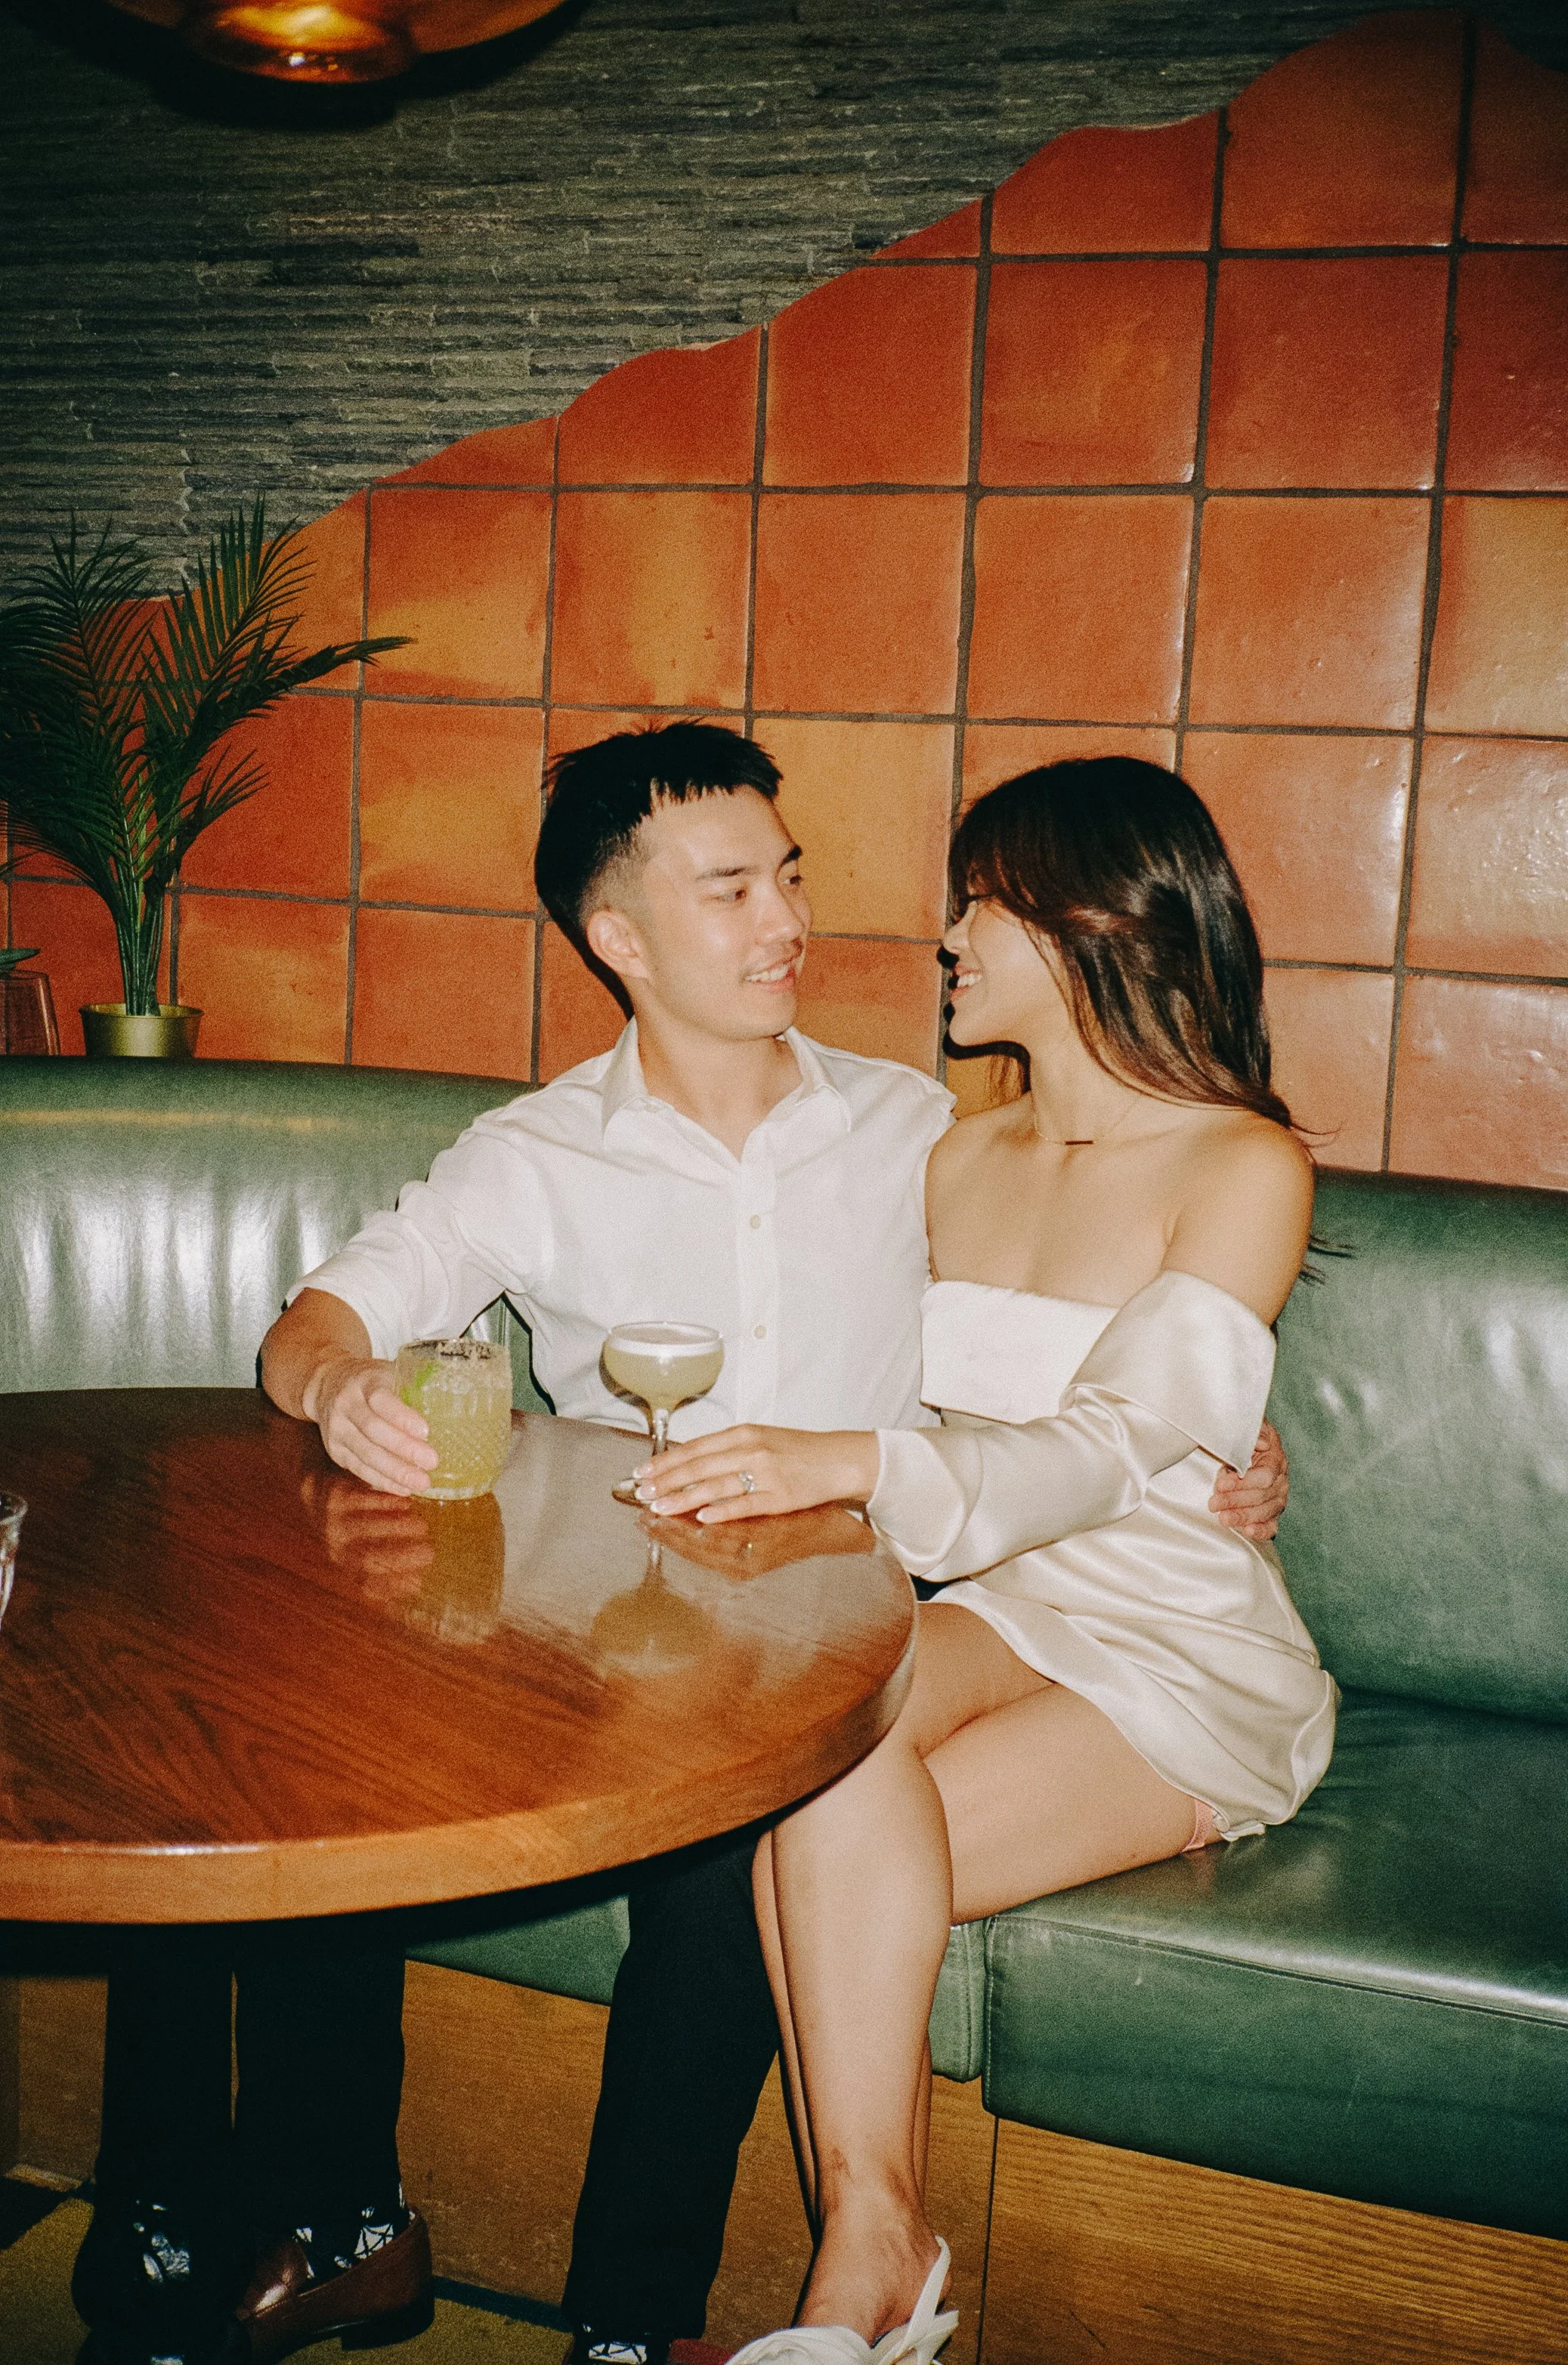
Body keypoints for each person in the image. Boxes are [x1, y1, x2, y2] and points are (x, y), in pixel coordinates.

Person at [83, 725, 1288, 2365]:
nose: (788, 916)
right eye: (730, 887)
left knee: (754, 1836)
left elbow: (1112, 1342)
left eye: (786, 874)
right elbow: (316, 1323)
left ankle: (626, 2330)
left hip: (863, 1619)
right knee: (284, 1741)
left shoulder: (913, 1129)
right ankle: (275, 2215)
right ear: (619, 937)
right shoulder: (537, 1154)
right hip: (594, 1631)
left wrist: (1229, 1443)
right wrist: (343, 1380)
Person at [639, 757, 1339, 2365]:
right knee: (806, 1759)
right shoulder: (955, 1155)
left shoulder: (1240, 1162)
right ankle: (876, 2251)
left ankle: (862, 2275)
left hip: (1175, 1641)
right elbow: (869, 1374)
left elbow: (1109, 1443)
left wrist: (867, 1464)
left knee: (816, 1848)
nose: (944, 935)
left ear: (1089, 919)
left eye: (980, 902)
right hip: (1003, 1604)